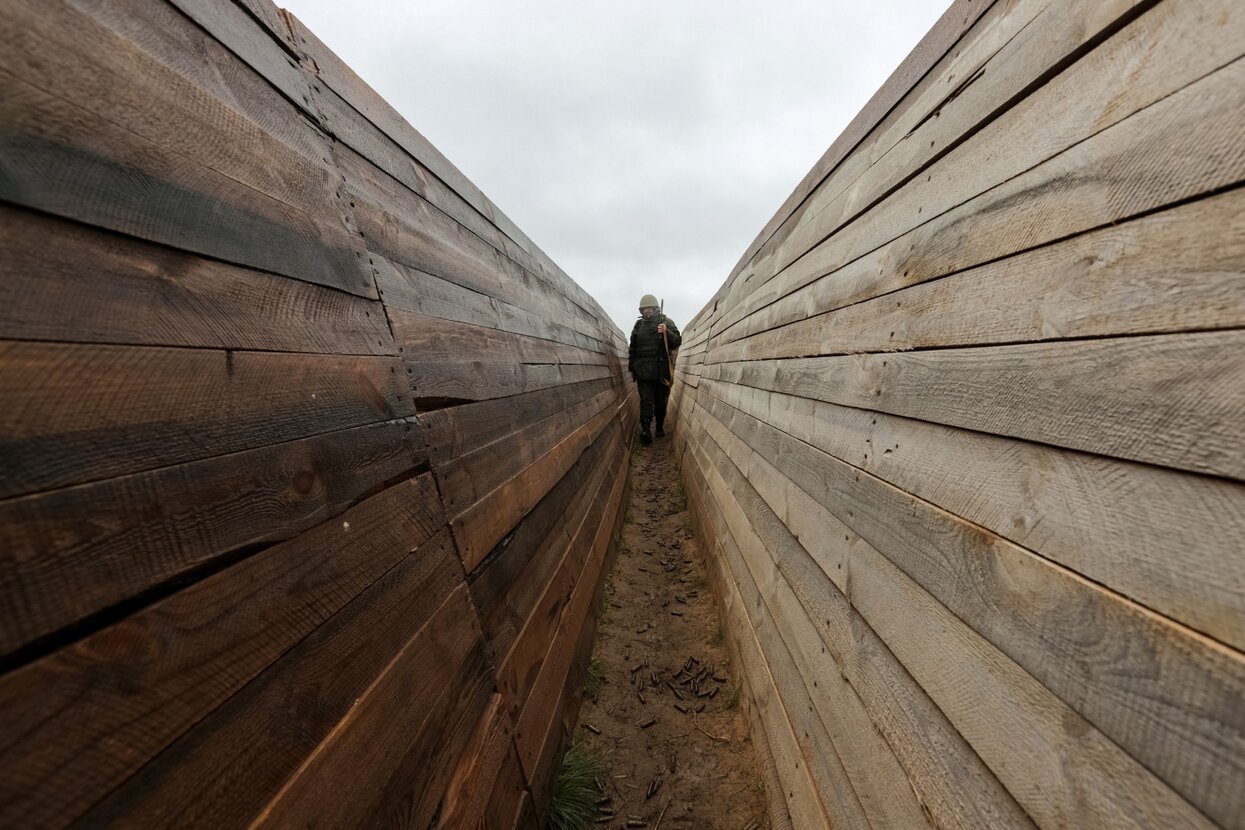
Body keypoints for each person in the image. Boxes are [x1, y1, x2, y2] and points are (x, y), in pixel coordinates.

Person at [628, 294, 681, 444]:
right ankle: (645, 430)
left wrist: (666, 332)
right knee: (646, 402)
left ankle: (659, 427)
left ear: (656, 308)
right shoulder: (638, 326)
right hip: (643, 373)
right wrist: (632, 369)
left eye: (650, 308)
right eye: (644, 309)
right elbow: (633, 348)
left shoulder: (666, 322)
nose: (647, 311)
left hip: (661, 372)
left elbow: (677, 341)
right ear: (641, 311)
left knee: (660, 402)